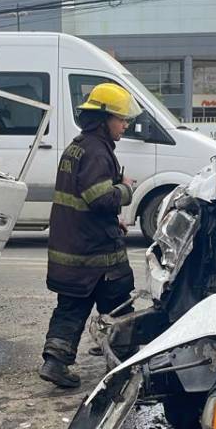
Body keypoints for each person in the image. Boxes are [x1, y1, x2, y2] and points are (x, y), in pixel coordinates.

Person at [39, 82, 142, 388]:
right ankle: (125, 362)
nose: (125, 125)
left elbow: (83, 200)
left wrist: (112, 221)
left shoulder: (79, 146)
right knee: (119, 303)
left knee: (71, 306)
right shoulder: (97, 152)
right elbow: (100, 198)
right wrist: (126, 189)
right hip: (95, 253)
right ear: (103, 119)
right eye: (121, 119)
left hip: (75, 246)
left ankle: (55, 362)